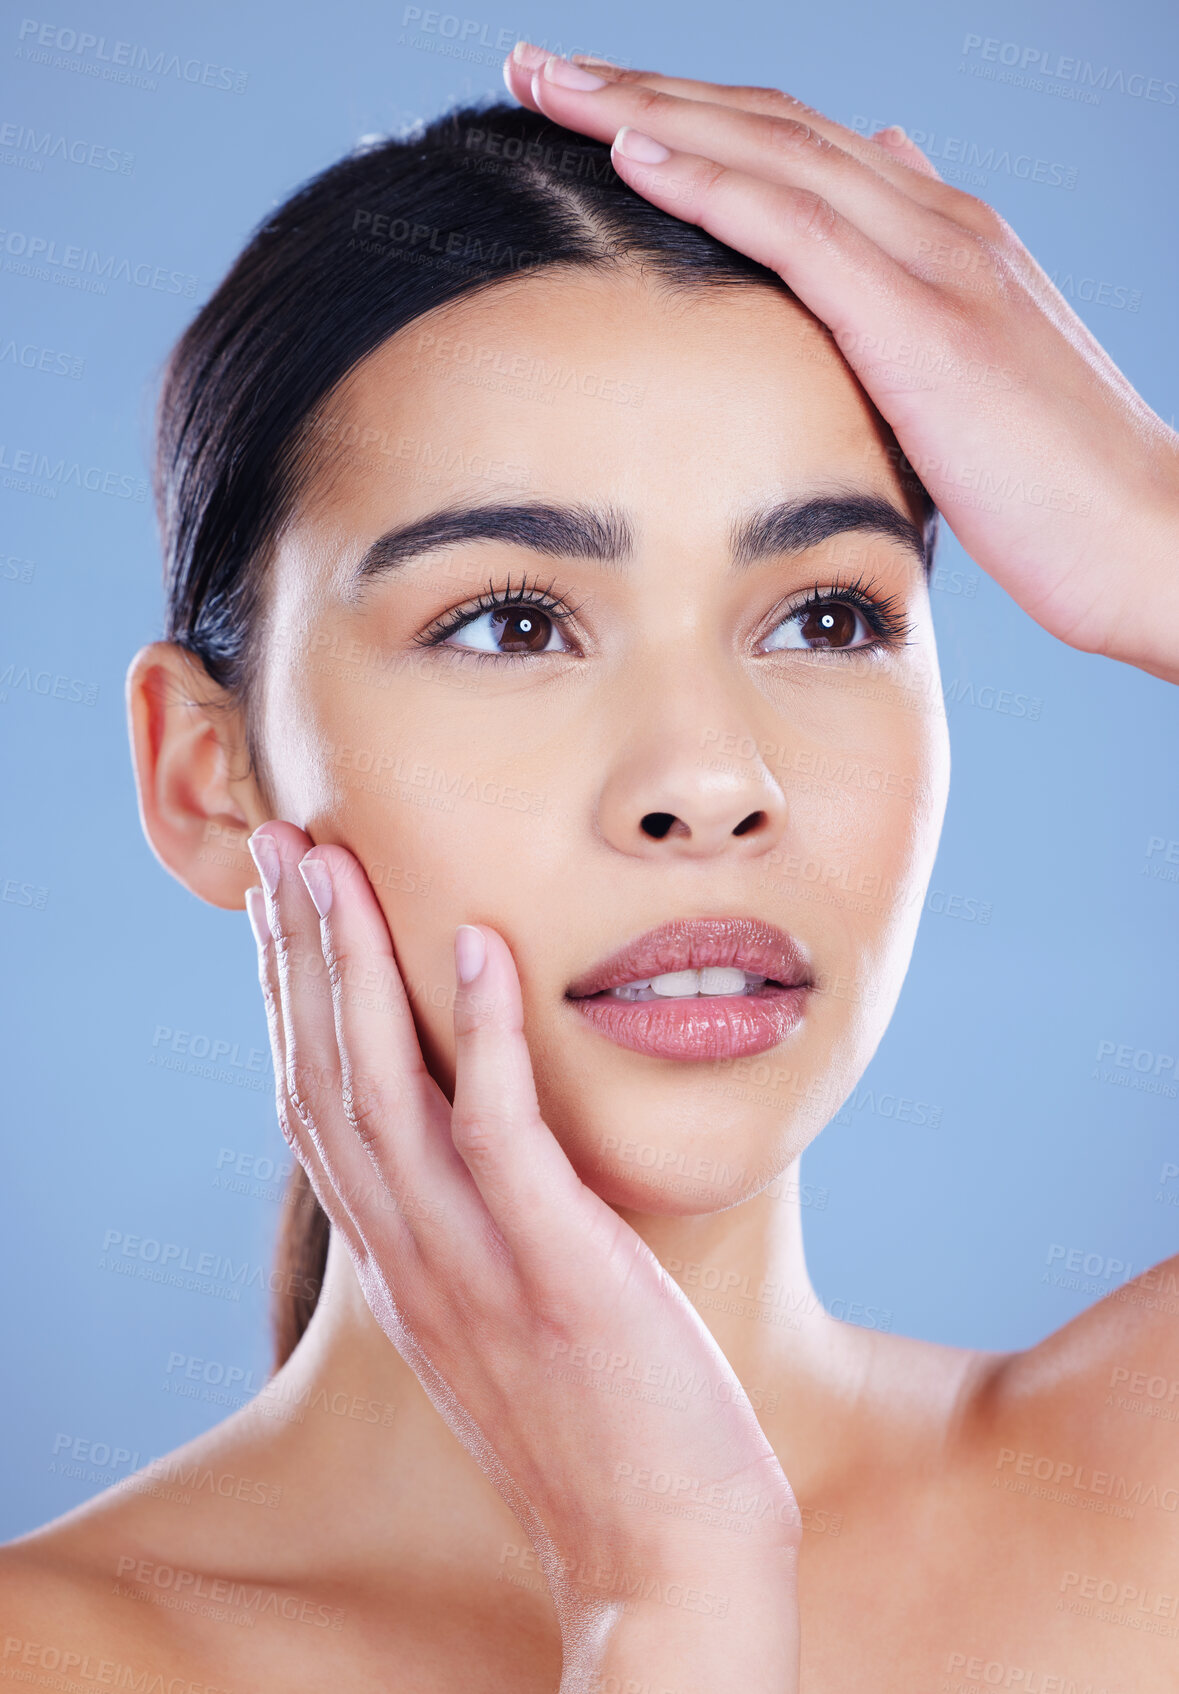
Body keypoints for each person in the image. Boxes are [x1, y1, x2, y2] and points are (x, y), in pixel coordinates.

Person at [3, 44, 1177, 1693]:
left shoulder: (1142, 1513)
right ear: (207, 775)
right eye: (509, 620)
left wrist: (1155, 519)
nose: (708, 779)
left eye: (828, 614)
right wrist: (666, 1597)